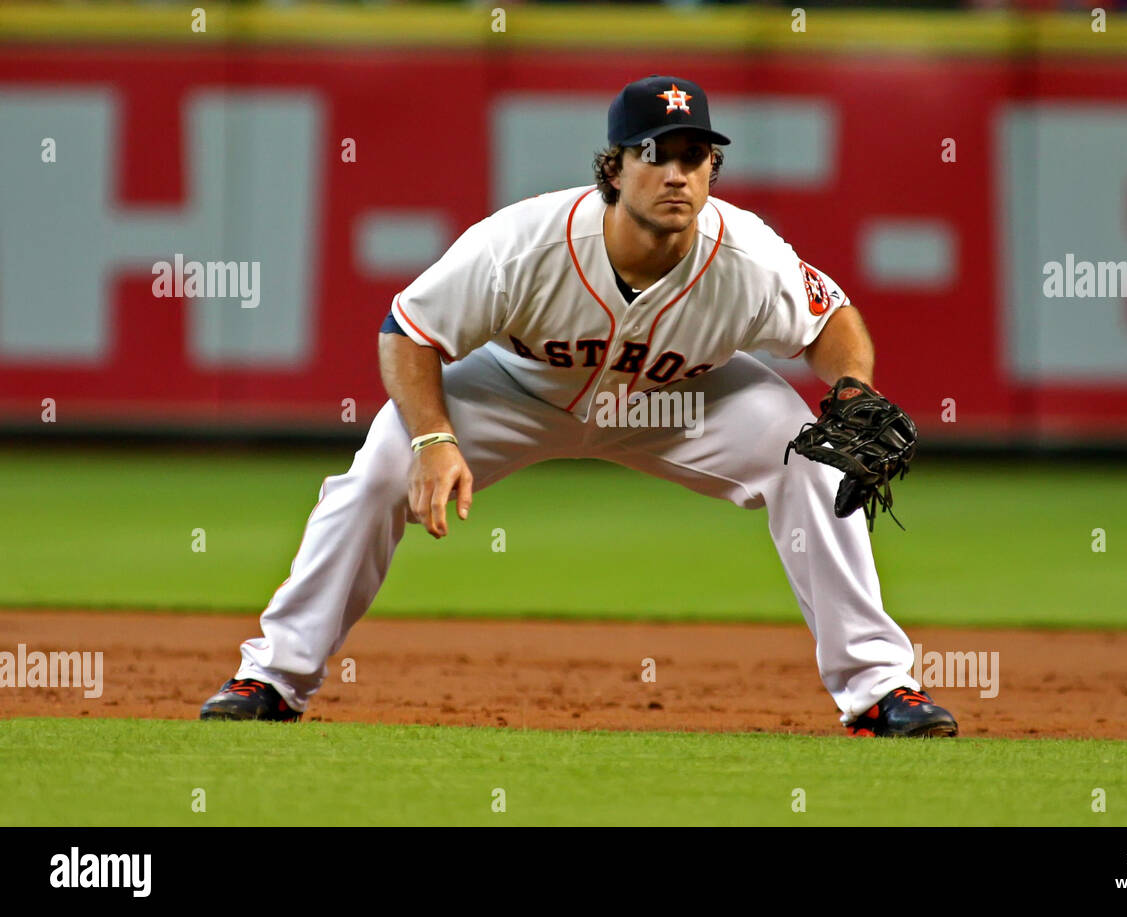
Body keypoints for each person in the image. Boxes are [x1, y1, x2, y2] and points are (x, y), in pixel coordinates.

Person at [199, 74, 958, 738]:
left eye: (695, 157)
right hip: (520, 392)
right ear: (613, 168)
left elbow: (832, 322)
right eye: (655, 153)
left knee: (815, 460)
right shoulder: (525, 243)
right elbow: (408, 330)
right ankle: (274, 677)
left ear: (713, 170)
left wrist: (852, 386)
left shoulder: (747, 257)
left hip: (683, 401)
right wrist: (433, 436)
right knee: (376, 475)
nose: (676, 174)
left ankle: (878, 689)